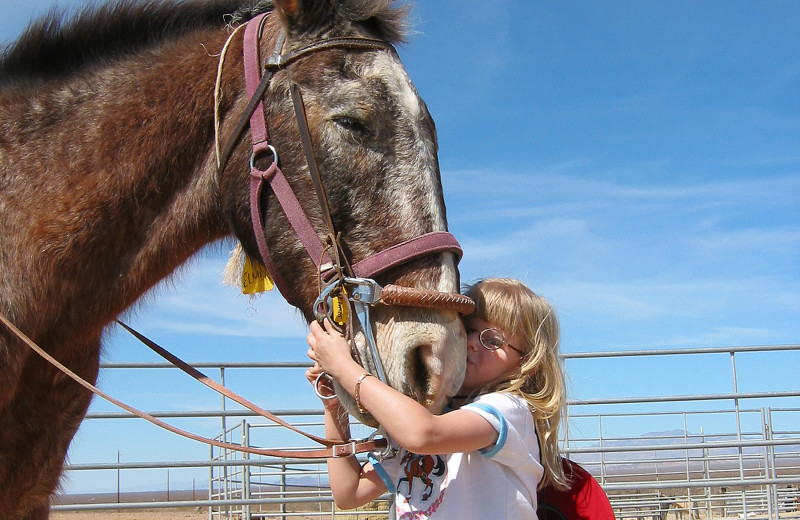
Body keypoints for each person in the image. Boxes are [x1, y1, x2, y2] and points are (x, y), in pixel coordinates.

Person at [305, 277, 569, 519]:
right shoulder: (426, 415)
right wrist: (333, 401)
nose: (471, 342)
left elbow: (423, 435)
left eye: (492, 340)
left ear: (527, 364)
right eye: (467, 328)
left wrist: (345, 367)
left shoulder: (508, 410)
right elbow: (349, 492)